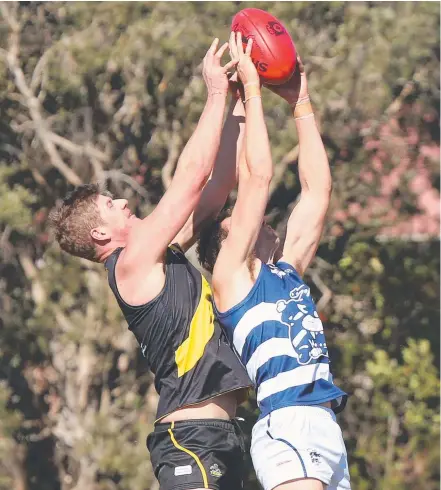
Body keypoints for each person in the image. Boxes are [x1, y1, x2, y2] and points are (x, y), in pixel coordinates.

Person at [49, 36, 253, 490]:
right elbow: (190, 177)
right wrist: (215, 93)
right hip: (189, 439)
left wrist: (240, 102)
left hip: (221, 436)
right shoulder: (131, 263)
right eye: (110, 203)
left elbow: (215, 187)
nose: (123, 201)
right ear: (101, 234)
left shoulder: (161, 255)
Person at [196, 32, 350, 490]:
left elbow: (318, 192)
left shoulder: (286, 271)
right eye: (233, 225)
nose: (249, 223)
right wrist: (253, 96)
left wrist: (301, 101)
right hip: (288, 424)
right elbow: (257, 178)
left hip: (326, 427)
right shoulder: (231, 278)